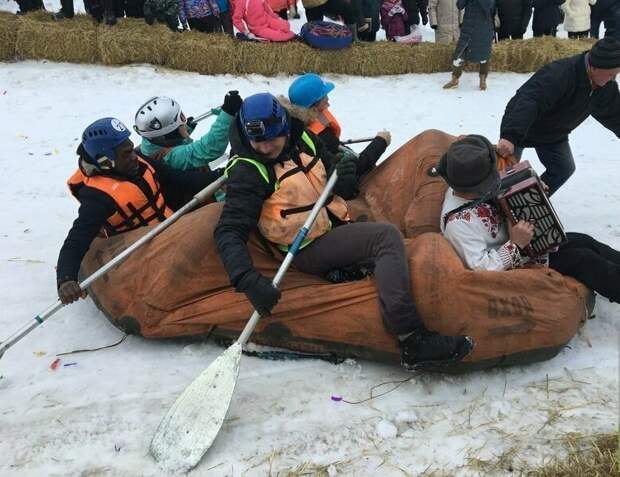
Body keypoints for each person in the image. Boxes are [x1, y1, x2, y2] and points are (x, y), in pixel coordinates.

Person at [214, 93, 474, 370]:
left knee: (385, 239)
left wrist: (344, 173)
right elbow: (228, 230)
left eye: (271, 139)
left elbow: (334, 173)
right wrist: (246, 278)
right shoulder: (249, 170)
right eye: (257, 141)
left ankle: (344, 271)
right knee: (385, 237)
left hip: (333, 221)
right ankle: (412, 339)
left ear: (284, 128)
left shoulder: (302, 138)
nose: (264, 148)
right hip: (305, 246)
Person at [57, 117, 222, 304]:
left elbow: (180, 180)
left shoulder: (140, 163)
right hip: (145, 252)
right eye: (126, 153)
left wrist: (221, 175)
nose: (134, 155)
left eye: (131, 148)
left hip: (172, 228)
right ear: (105, 161)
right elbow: (76, 240)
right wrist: (65, 279)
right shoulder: (98, 199)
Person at [437, 135, 620, 303]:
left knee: (583, 240)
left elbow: (500, 193)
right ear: (478, 186)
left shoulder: (467, 186)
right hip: (515, 266)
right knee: (582, 260)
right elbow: (480, 271)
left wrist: (533, 190)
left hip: (525, 243)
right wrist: (515, 244)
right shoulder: (458, 224)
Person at [497, 37, 620, 196]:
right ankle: (492, 209)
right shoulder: (560, 74)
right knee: (505, 176)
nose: (614, 79)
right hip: (524, 126)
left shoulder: (605, 87)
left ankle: (531, 203)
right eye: (611, 74)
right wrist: (510, 136)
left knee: (563, 168)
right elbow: (528, 100)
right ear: (594, 67)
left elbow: (615, 114)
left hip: (554, 134)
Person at [284, 73, 391, 175]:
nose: (328, 102)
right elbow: (356, 167)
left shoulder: (299, 125)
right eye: (324, 98)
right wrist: (381, 142)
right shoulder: (322, 137)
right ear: (314, 108)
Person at [134, 92, 241, 171]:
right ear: (170, 132)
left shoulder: (151, 144)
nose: (184, 122)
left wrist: (186, 129)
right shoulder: (172, 158)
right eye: (181, 118)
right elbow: (209, 148)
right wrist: (227, 115)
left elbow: (172, 141)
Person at [443, 0, 496, 91]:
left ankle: (482, 80)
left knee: (483, 57)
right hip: (468, 28)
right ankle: (455, 79)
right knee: (458, 56)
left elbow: (488, 7)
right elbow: (459, 5)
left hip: (483, 29)